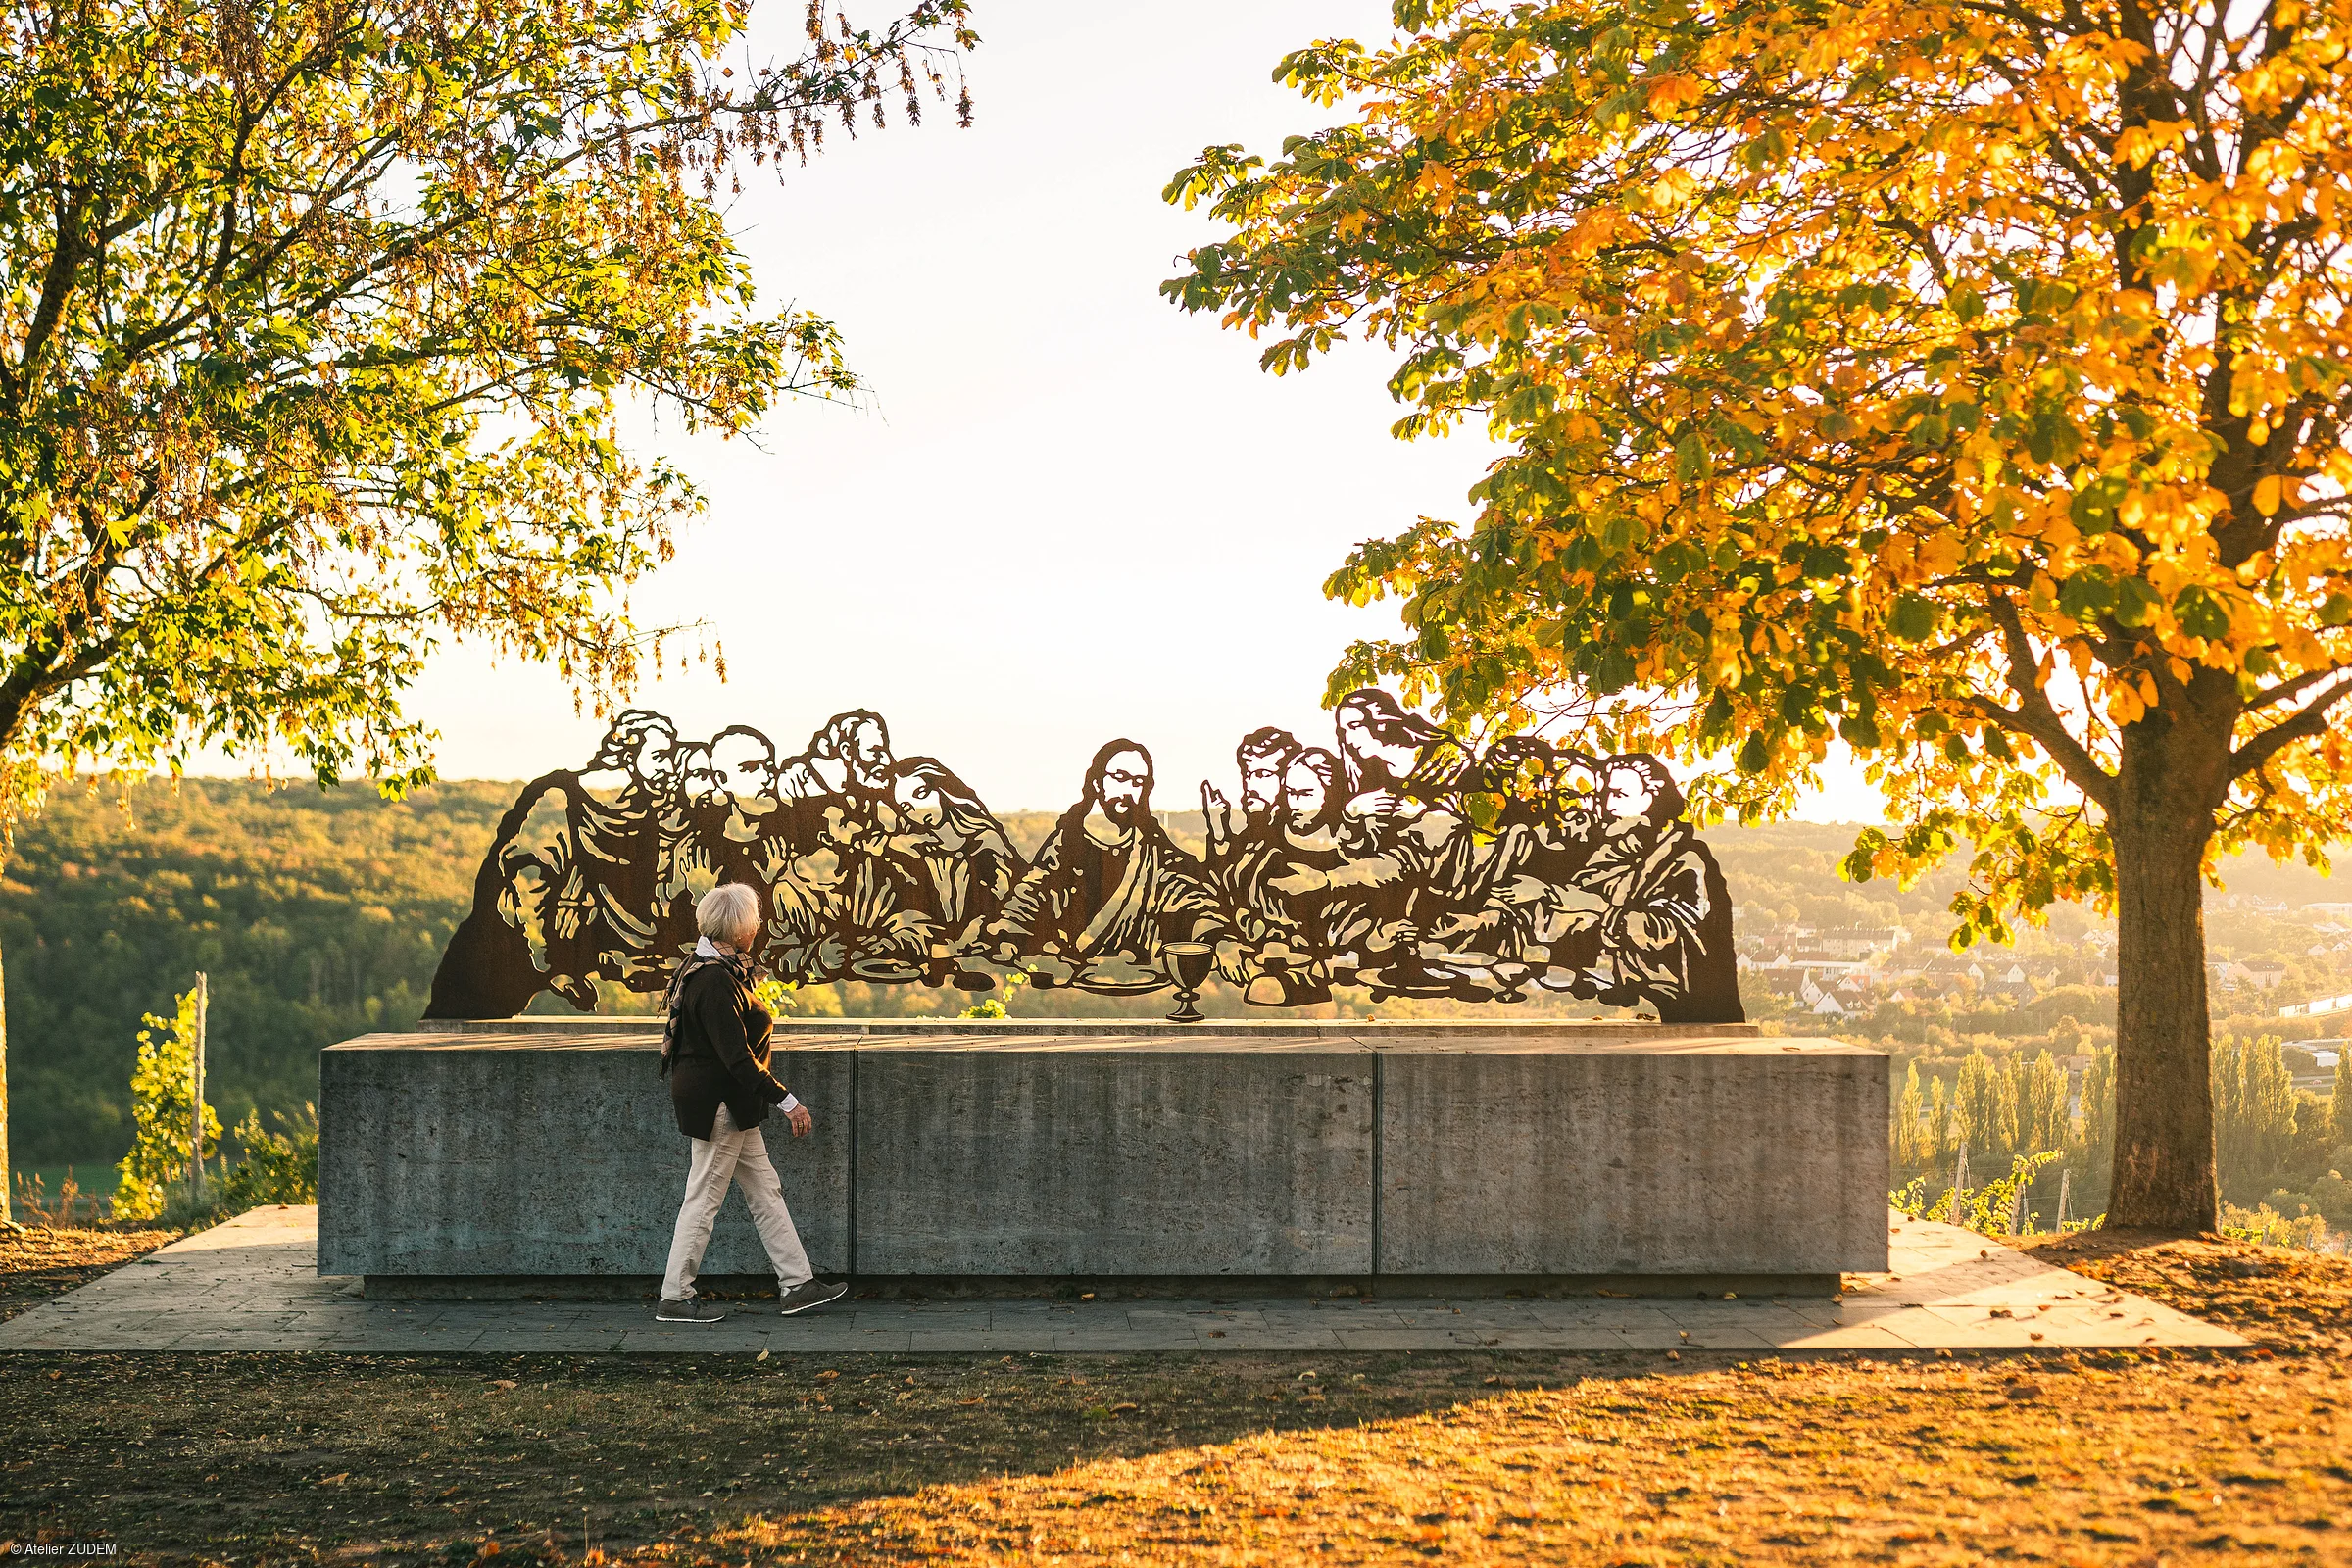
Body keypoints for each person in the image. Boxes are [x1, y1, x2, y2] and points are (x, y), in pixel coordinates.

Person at [654, 883, 848, 1322]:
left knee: (766, 1192)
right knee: (703, 1199)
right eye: (755, 919)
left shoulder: (714, 968)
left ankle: (797, 1284)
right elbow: (736, 1057)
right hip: (721, 1106)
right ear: (740, 929)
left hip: (732, 1106)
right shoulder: (714, 979)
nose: (759, 925)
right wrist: (788, 1101)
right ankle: (675, 1296)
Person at [985, 739, 1231, 991]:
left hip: (1140, 974)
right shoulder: (1068, 840)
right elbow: (1030, 895)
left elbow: (1197, 890)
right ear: (1097, 783)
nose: (1128, 790)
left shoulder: (1152, 845)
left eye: (1137, 782)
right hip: (1070, 971)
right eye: (1120, 777)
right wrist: (1012, 936)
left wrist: (1219, 835)